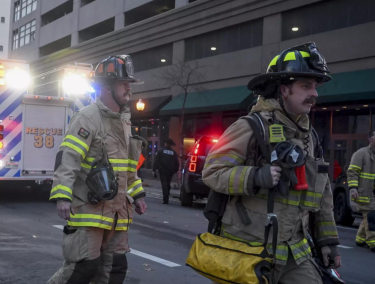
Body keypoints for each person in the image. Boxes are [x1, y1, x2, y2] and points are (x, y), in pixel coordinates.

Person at [202, 42, 341, 283]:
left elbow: (322, 193)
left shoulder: (309, 136)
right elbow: (212, 172)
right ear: (284, 89)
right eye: (306, 86)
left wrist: (327, 241)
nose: (315, 94)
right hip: (247, 250)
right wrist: (255, 177)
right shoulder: (250, 127)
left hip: (294, 255)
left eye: (316, 87)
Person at [47, 55, 148, 284]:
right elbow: (68, 159)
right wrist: (62, 195)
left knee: (114, 271)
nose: (128, 89)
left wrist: (138, 193)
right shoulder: (87, 118)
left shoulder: (124, 121)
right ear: (106, 87)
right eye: (124, 83)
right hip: (90, 212)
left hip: (118, 214)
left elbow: (127, 168)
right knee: (83, 269)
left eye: (129, 84)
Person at [347, 130, 375, 252]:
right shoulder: (361, 154)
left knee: (367, 218)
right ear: (370, 139)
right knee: (372, 217)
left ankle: (360, 239)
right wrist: (353, 189)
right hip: (366, 194)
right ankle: (373, 242)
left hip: (373, 194)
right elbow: (352, 172)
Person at [153, 138, 179, 204]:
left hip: (162, 170)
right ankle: (167, 195)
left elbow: (156, 161)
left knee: (164, 184)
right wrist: (175, 170)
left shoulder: (161, 151)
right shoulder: (174, 153)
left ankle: (165, 199)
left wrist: (154, 169)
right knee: (168, 183)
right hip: (170, 171)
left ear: (166, 144)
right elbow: (177, 163)